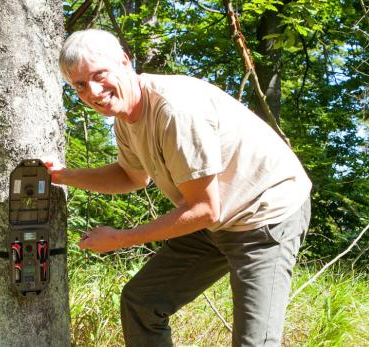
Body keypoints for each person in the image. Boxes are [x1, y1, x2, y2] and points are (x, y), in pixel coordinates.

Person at [46, 28, 312, 347]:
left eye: (99, 75)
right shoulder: (125, 120)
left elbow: (203, 210)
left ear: (124, 61)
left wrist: (121, 239)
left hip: (264, 216)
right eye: (79, 84)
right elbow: (131, 177)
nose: (92, 91)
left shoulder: (173, 110)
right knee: (142, 302)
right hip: (215, 218)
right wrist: (63, 176)